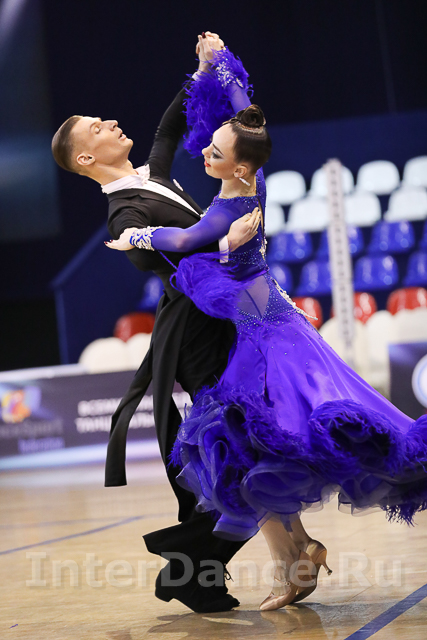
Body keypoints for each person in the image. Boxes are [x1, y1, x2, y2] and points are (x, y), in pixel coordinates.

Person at [108, 36, 427, 611]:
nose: (206, 153)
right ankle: (299, 554)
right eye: (211, 145)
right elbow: (244, 116)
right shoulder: (249, 180)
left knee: (261, 438)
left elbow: (181, 241)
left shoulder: (227, 209)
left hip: (262, 337)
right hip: (270, 319)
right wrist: (220, 68)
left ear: (239, 165)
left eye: (215, 150)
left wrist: (137, 236)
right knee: (263, 441)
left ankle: (294, 557)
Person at [51, 33, 261, 614]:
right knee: (240, 452)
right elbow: (154, 257)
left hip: (220, 319)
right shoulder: (124, 212)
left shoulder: (151, 177)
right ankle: (192, 567)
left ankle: (195, 570)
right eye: (98, 127)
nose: (112, 122)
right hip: (195, 335)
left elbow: (168, 129)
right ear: (87, 159)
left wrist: (201, 71)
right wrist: (221, 241)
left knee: (249, 450)